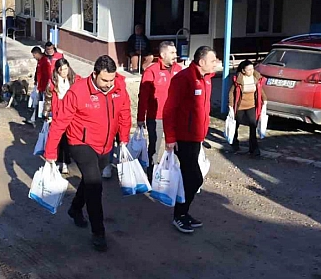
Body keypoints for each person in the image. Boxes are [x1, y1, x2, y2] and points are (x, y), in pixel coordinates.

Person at [44, 55, 131, 252]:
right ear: (94, 74)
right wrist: (51, 152)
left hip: (105, 144)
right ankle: (98, 232)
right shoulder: (78, 91)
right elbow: (60, 122)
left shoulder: (119, 88)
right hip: (80, 143)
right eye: (105, 80)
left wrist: (123, 138)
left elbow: (125, 113)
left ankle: (75, 208)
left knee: (91, 180)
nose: (109, 84)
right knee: (94, 186)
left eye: (112, 79)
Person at [163, 46, 218, 234]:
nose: (215, 63)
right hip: (183, 138)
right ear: (202, 62)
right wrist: (170, 137)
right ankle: (179, 215)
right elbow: (169, 109)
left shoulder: (207, 79)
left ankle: (183, 213)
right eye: (213, 60)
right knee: (194, 178)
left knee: (191, 178)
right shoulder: (184, 78)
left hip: (196, 138)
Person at [137, 41, 182, 179]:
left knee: (179, 148)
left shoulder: (179, 70)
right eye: (172, 53)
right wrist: (140, 118)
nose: (176, 55)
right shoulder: (151, 71)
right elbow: (143, 97)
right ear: (163, 54)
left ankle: (175, 175)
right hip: (156, 117)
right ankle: (152, 176)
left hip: (176, 117)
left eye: (175, 52)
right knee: (154, 148)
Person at [42, 58, 81, 175]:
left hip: (72, 113)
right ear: (57, 70)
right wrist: (46, 112)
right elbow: (48, 98)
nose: (64, 72)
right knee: (60, 139)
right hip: (58, 112)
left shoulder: (75, 79)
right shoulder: (53, 82)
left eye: (66, 69)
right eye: (61, 70)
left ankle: (69, 159)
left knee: (71, 137)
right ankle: (62, 162)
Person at [228, 60, 267, 157]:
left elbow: (260, 89)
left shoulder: (256, 77)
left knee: (253, 126)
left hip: (252, 106)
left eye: (252, 68)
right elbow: (231, 93)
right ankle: (234, 143)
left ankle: (254, 149)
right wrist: (230, 105)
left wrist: (265, 99)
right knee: (236, 125)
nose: (251, 71)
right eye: (249, 69)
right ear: (243, 70)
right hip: (240, 106)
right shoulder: (238, 79)